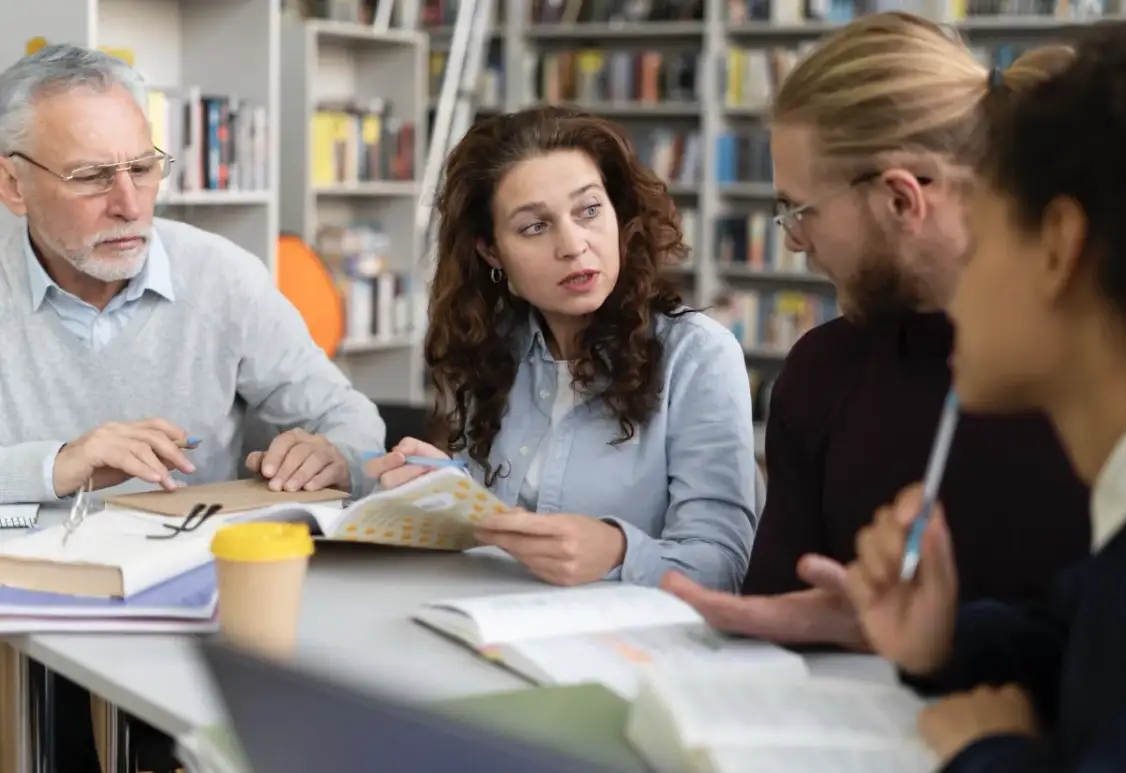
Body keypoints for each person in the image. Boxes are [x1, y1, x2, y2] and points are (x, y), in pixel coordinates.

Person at [0, 44, 385, 773]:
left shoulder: (224, 277)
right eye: (90, 176)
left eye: (143, 167)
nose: (131, 203)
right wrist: (59, 462)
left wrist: (334, 452)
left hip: (195, 640)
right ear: (13, 185)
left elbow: (352, 418)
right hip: (22, 643)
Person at [662, 12, 1092, 649]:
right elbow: (777, 613)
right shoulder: (819, 373)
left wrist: (938, 647)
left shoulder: (1106, 374)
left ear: (900, 200)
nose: (797, 240)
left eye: (800, 211)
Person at [848, 14, 1126, 769]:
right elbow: (1086, 643)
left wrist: (989, 754)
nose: (956, 284)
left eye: (980, 232)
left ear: (1058, 247)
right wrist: (945, 644)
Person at [367, 106, 758, 591]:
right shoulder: (493, 347)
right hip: (493, 618)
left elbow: (724, 567)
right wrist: (440, 490)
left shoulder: (699, 356)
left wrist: (615, 550)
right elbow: (491, 519)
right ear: (492, 252)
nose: (574, 245)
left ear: (618, 215)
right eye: (535, 227)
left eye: (589, 210)